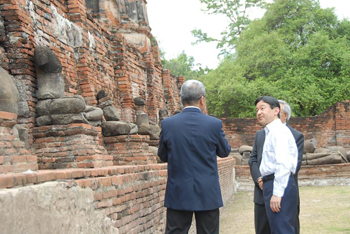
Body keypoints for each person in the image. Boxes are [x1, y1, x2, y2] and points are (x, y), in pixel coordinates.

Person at [158, 79, 231, 234]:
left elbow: (162, 156)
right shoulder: (214, 124)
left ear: (181, 100)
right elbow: (224, 152)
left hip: (178, 191)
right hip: (207, 192)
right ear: (202, 100)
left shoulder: (168, 124)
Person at [249, 96, 298, 234]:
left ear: (276, 110)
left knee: (281, 229)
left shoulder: (279, 132)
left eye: (262, 108)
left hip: (279, 184)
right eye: (257, 109)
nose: (259, 112)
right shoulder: (270, 132)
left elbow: (283, 164)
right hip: (271, 184)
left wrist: (277, 193)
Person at [278, 100, 304, 234]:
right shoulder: (263, 134)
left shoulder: (296, 136)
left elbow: (294, 166)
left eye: (278, 111)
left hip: (287, 189)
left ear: (285, 115)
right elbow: (255, 159)